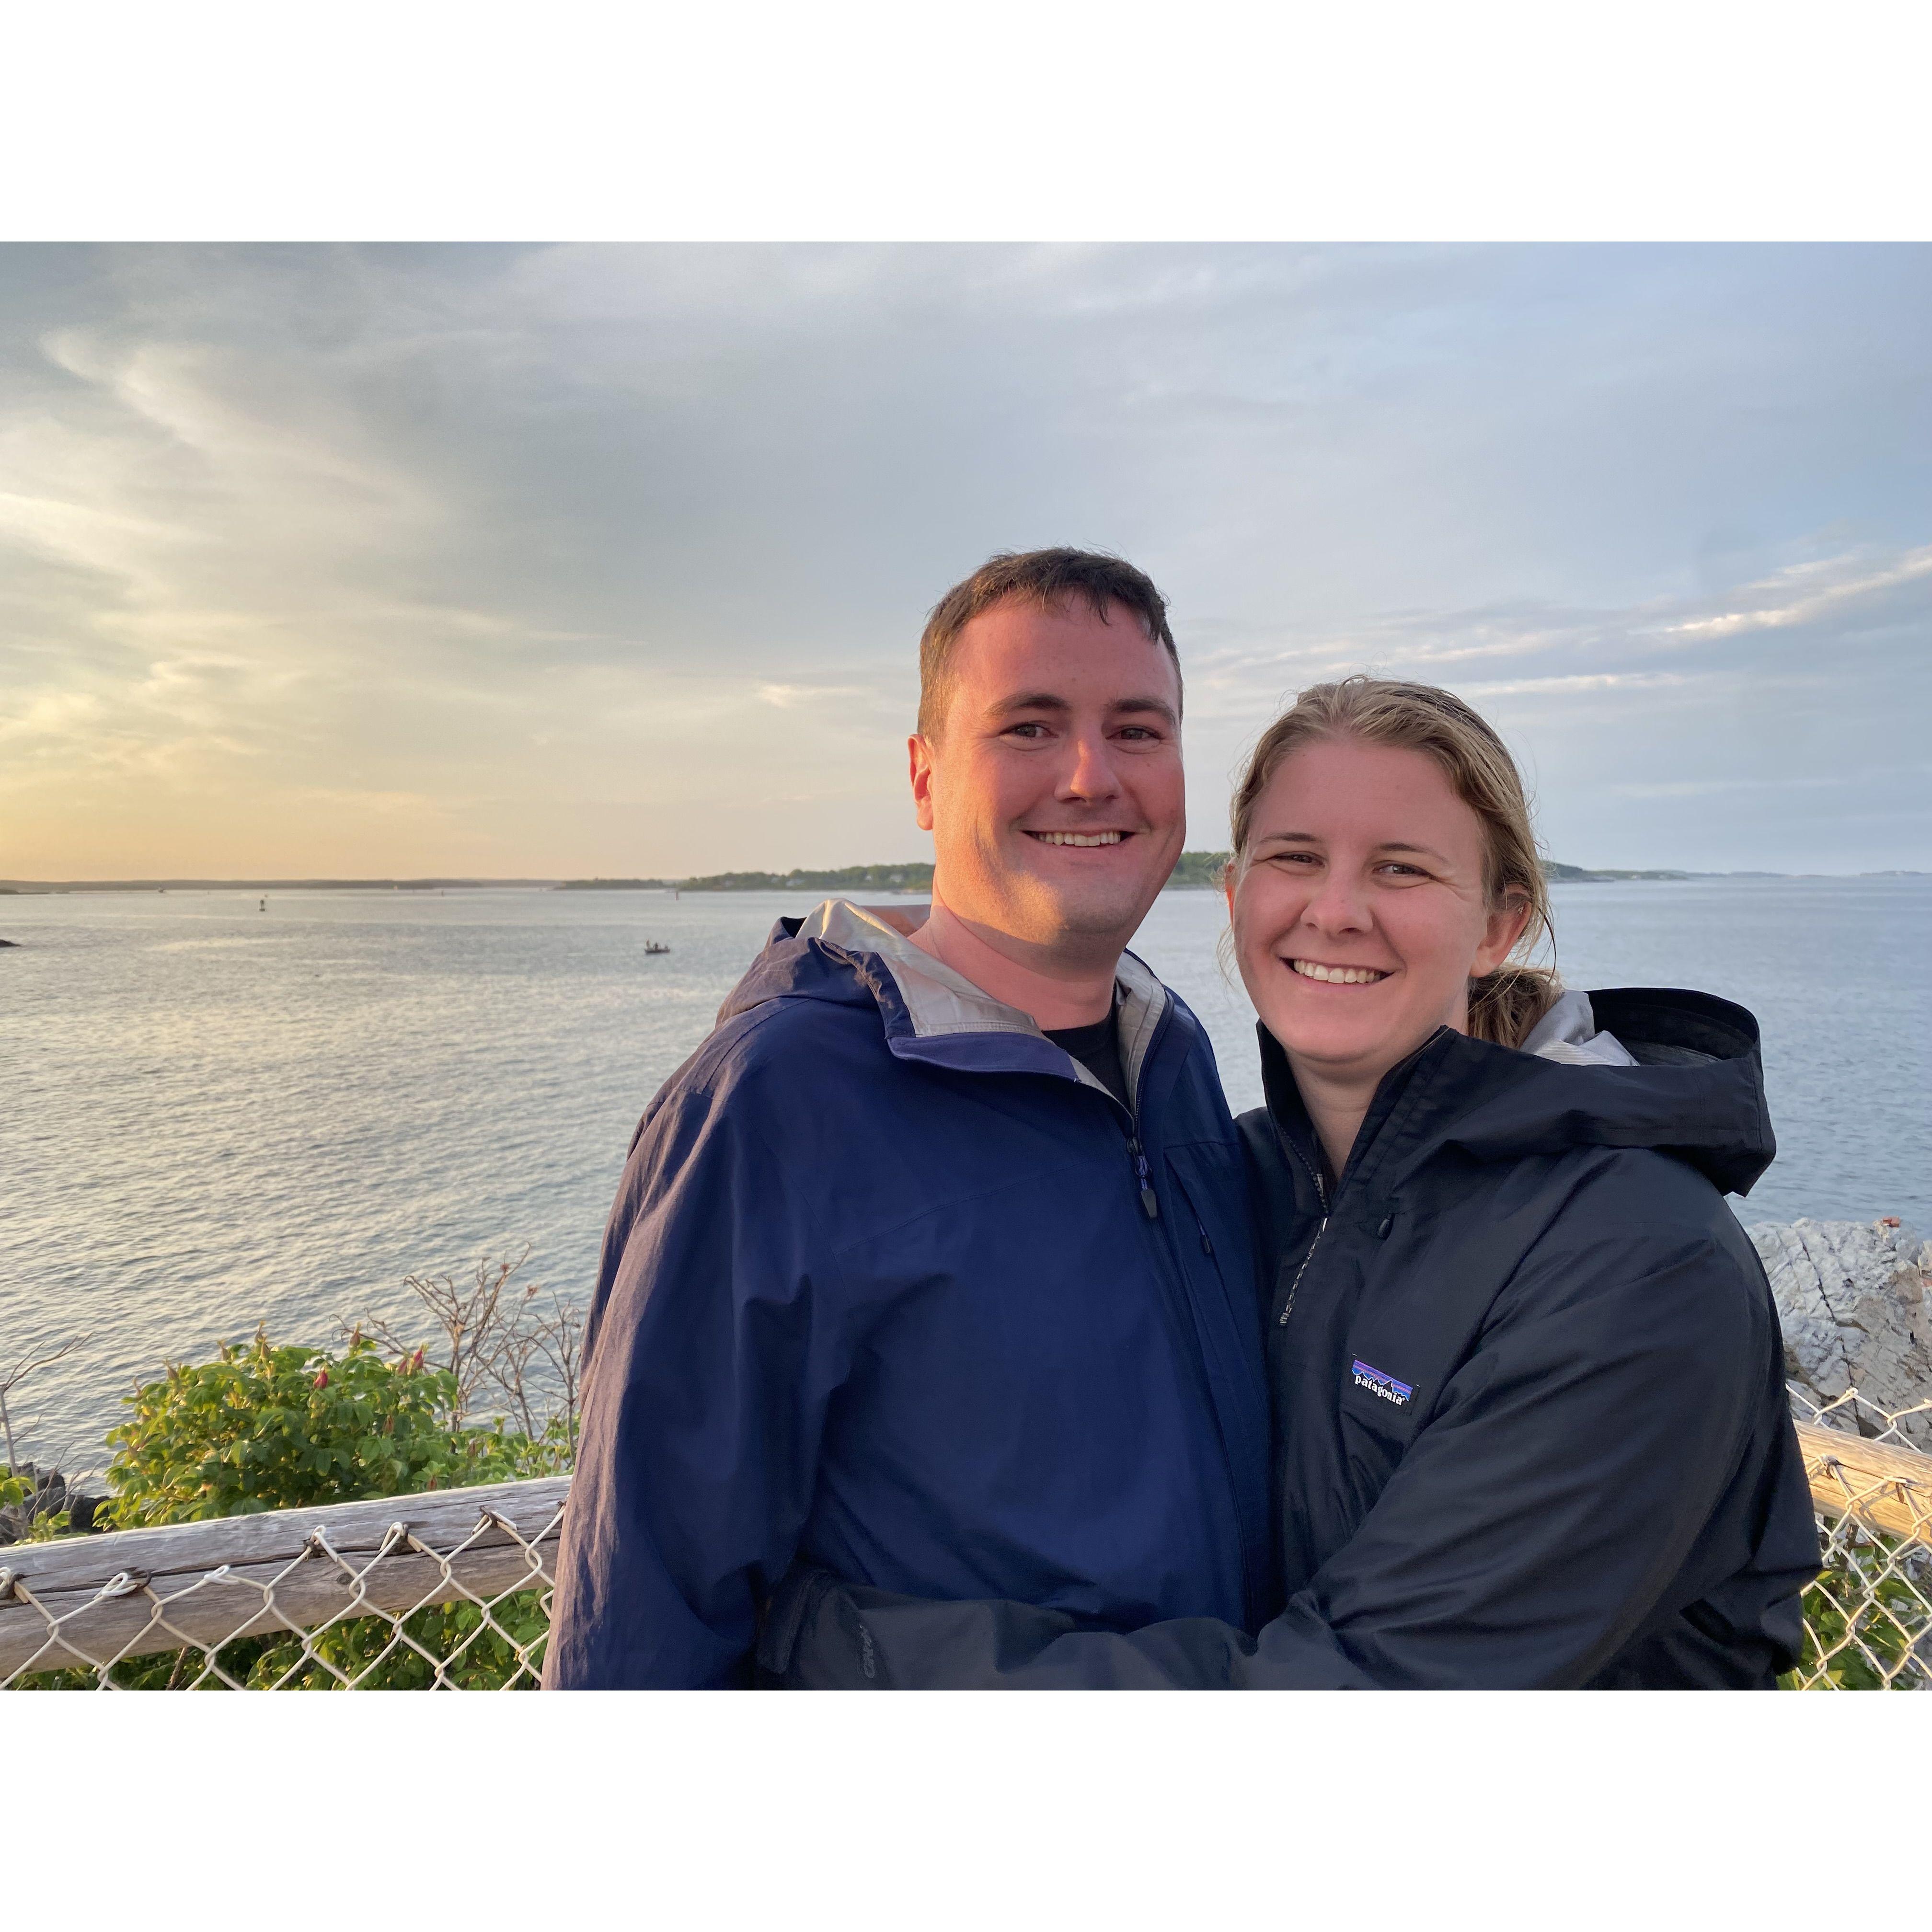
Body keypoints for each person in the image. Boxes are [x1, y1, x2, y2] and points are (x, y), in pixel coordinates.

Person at [764, 677, 1821, 1688]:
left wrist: (838, 1648)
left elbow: (1361, 1692)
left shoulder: (1633, 1263)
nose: (1337, 910)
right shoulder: (1245, 1184)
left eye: (1402, 869)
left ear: (1498, 926)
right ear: (1235, 897)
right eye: (1295, 857)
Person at [542, 548, 1273, 1688]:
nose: (1092, 775)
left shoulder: (1172, 1054)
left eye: (1138, 730)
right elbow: (643, 1610)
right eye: (1029, 727)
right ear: (926, 778)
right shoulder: (776, 1102)